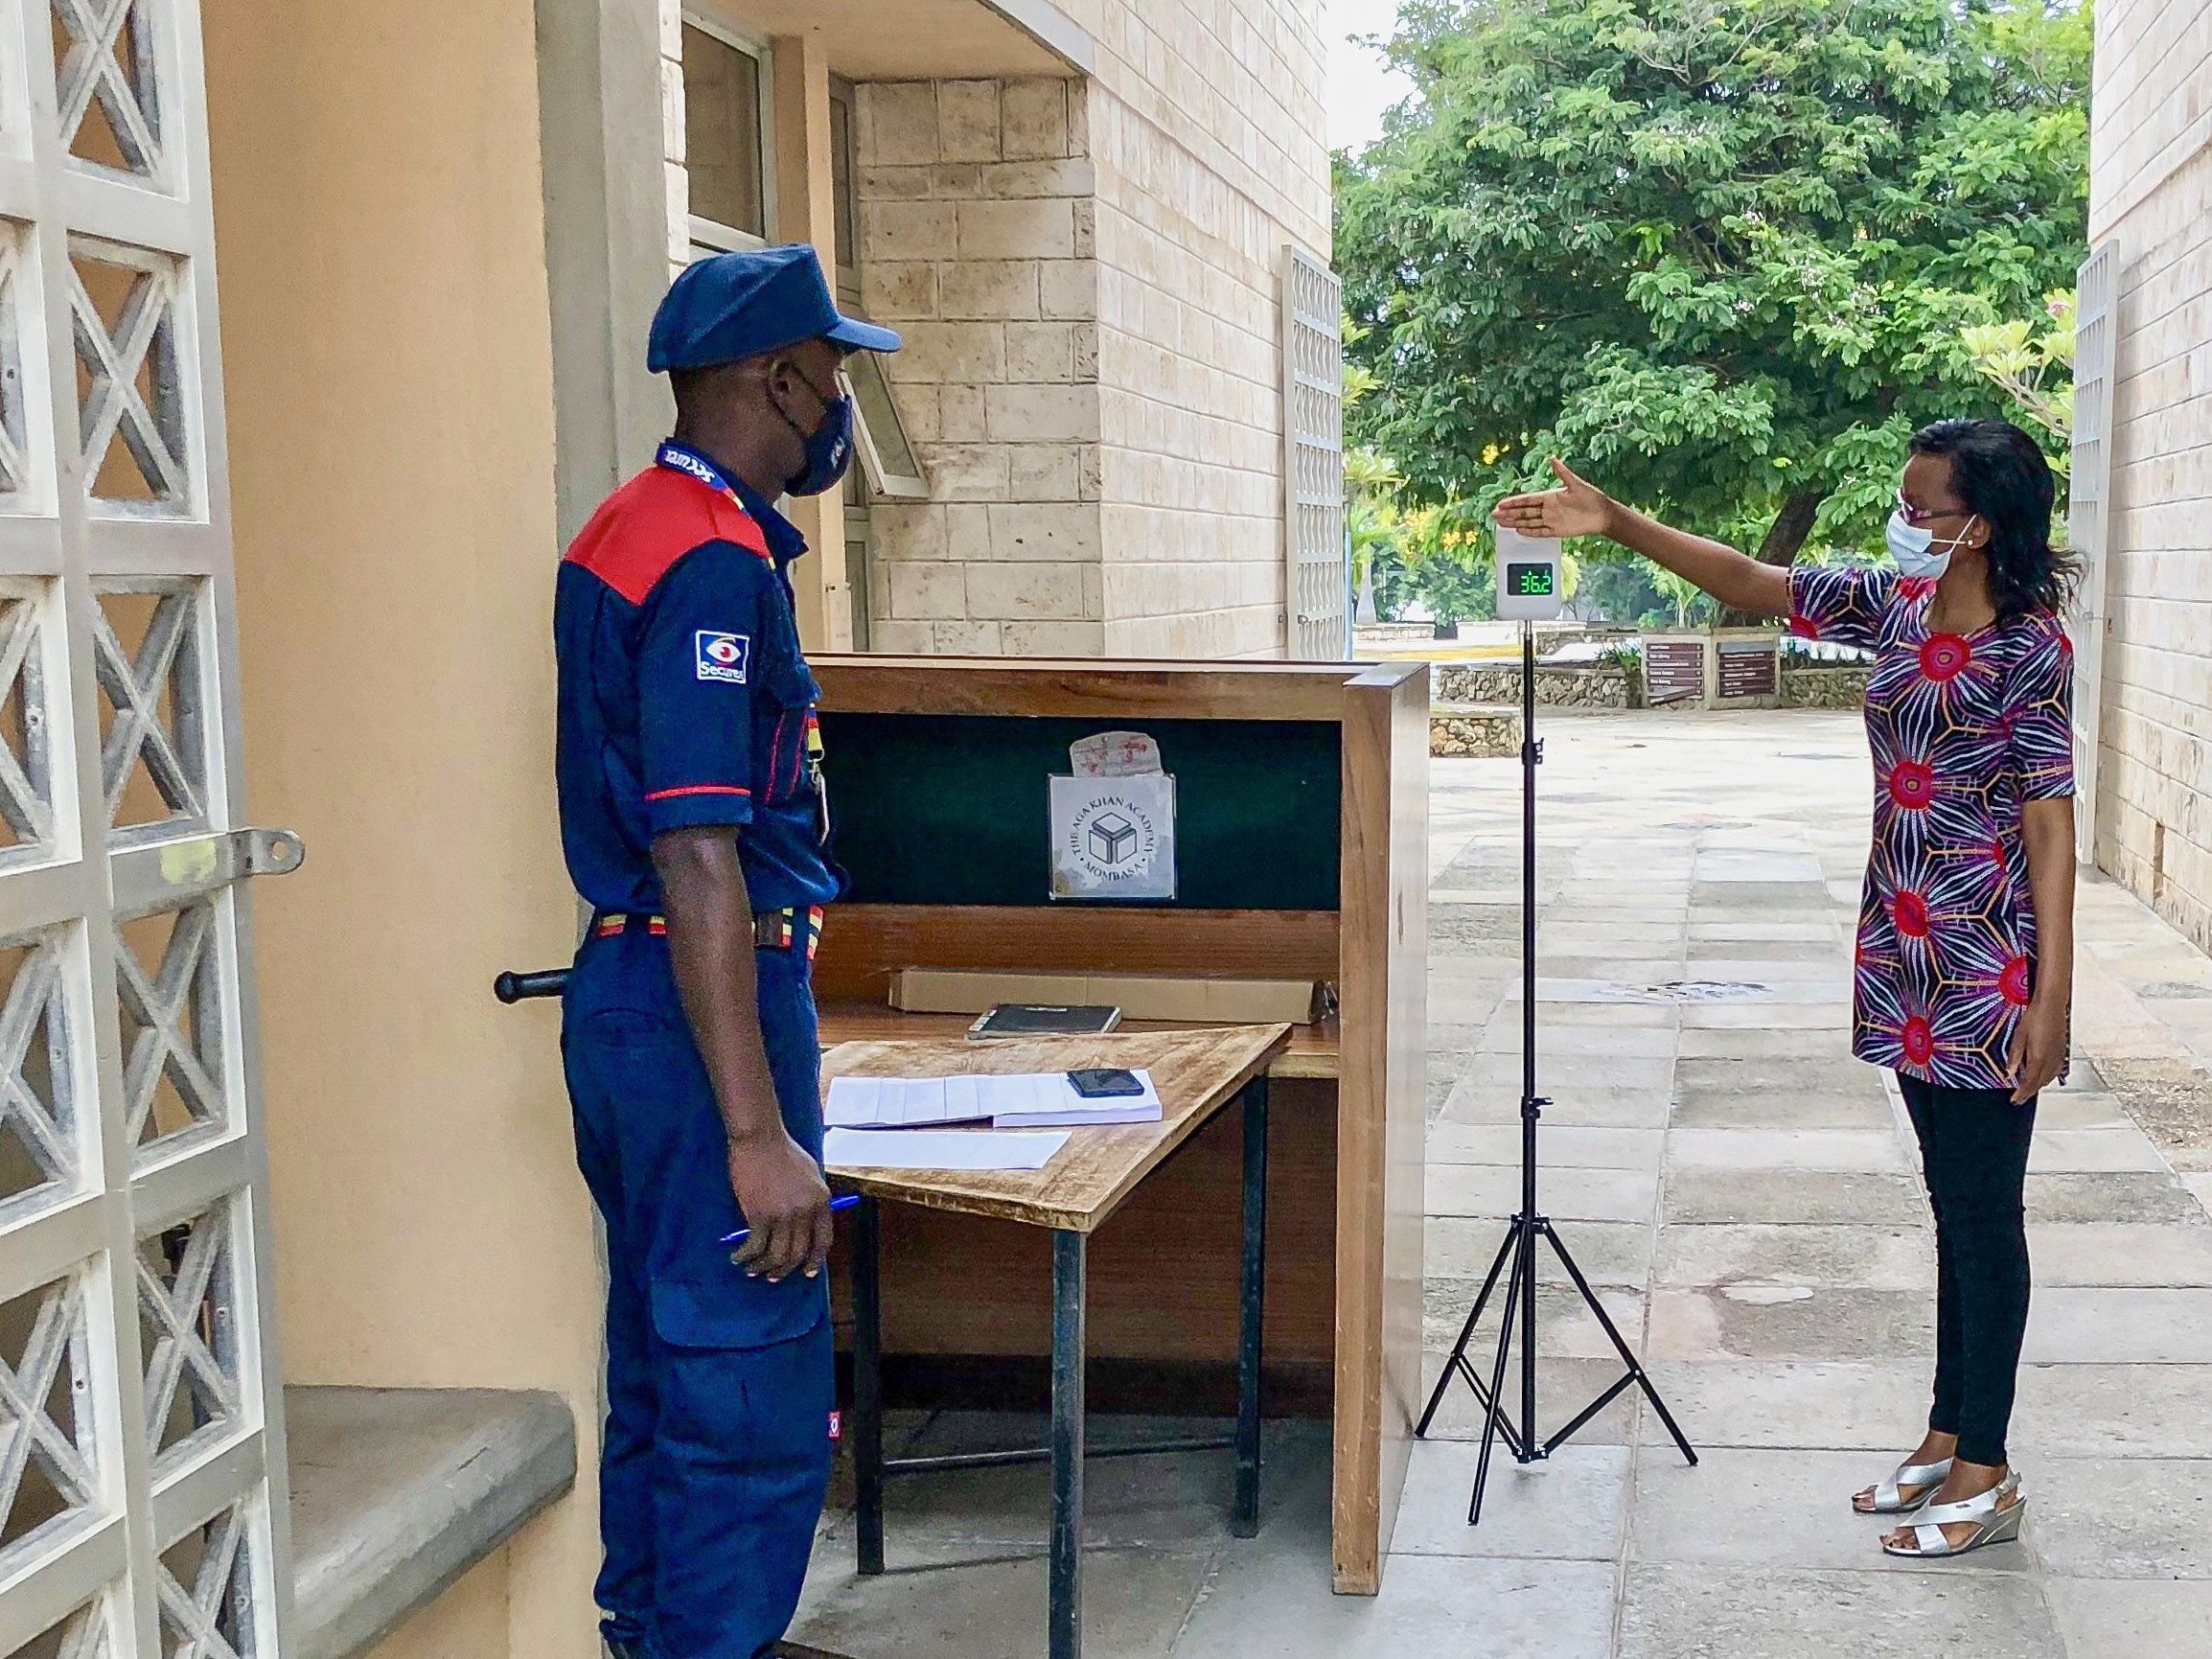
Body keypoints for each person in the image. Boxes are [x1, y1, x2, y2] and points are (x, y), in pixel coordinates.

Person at [1495, 418, 2075, 1560]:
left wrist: (2050, 999)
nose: (1902, 523)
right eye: (1902, 503)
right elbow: (1751, 579)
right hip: (1900, 946)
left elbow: (2049, 823)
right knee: (1946, 1203)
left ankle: (1989, 1468)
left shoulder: (2029, 648)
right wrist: (1614, 520)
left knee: (1981, 1212)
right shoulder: (1898, 608)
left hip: (1986, 961)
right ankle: (1949, 1427)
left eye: (1922, 508)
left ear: (1981, 527)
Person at [553, 243, 899, 1658]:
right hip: (705, 1007)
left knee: (663, 1357)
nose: (841, 401)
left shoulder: (635, 522)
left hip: (638, 1000)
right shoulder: (706, 561)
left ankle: (667, 1635)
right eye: (834, 372)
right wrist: (758, 1130)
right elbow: (699, 847)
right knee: (744, 1382)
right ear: (778, 376)